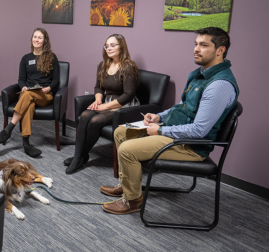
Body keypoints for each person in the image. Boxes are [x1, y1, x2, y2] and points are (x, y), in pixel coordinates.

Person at [100, 27, 239, 215]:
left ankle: (132, 201)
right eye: (196, 44)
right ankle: (127, 185)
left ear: (220, 50)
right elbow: (180, 107)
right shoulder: (199, 75)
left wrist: (159, 130)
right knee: (121, 131)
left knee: (127, 150)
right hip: (175, 131)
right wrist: (160, 117)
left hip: (191, 146)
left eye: (203, 45)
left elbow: (199, 131)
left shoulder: (219, 85)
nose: (196, 49)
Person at [65, 34, 139, 174]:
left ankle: (79, 156)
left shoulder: (129, 66)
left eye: (113, 45)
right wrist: (98, 99)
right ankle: (79, 155)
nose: (108, 48)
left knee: (96, 119)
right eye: (107, 46)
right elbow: (98, 87)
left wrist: (105, 106)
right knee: (85, 115)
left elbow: (128, 95)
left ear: (121, 46)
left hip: (125, 106)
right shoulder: (103, 65)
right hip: (108, 102)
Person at [0, 28, 60, 157]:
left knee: (27, 95)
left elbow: (56, 80)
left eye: (40, 37)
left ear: (45, 40)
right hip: (29, 93)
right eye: (35, 37)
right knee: (28, 101)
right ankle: (26, 144)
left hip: (44, 95)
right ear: (32, 39)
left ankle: (9, 128)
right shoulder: (25, 58)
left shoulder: (51, 57)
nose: (37, 40)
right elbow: (21, 79)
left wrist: (48, 88)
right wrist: (23, 87)